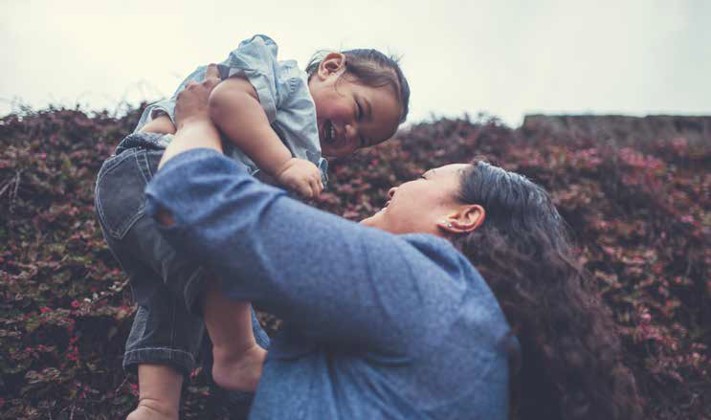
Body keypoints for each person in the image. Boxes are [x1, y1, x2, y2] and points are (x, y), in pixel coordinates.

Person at [141, 66, 642, 419]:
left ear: (463, 216)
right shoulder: (477, 344)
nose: (396, 187)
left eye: (422, 177)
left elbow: (192, 199)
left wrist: (196, 121)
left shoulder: (426, 285)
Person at [94, 35, 409, 419]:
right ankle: (239, 354)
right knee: (220, 248)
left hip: (139, 203)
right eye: (358, 111)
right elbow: (226, 102)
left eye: (363, 140)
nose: (351, 134)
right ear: (330, 67)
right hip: (149, 170)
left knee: (172, 298)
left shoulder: (308, 157)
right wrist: (284, 165)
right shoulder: (282, 78)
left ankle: (156, 404)